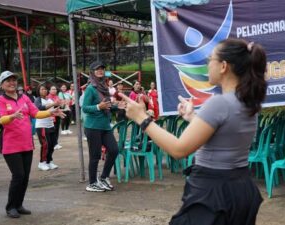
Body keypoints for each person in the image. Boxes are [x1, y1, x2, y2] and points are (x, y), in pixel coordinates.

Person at [120, 38, 267, 225]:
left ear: (223, 66)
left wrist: (141, 118)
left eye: (210, 59)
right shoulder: (247, 102)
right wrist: (192, 118)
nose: (207, 65)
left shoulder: (218, 103)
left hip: (214, 193)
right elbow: (224, 133)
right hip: (240, 188)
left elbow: (179, 150)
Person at [0, 71, 65, 218]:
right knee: (18, 175)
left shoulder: (24, 97)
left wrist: (51, 112)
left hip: (26, 143)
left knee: (25, 177)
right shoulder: (0, 100)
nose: (12, 83)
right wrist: (12, 116)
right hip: (10, 145)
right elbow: (1, 120)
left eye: (13, 80)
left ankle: (19, 205)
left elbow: (36, 113)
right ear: (2, 85)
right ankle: (10, 206)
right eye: (8, 81)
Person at [82, 61, 124, 192]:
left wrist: (117, 107)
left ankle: (104, 177)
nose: (100, 71)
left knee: (114, 150)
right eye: (97, 69)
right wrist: (97, 107)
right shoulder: (90, 88)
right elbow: (85, 108)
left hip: (105, 126)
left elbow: (107, 106)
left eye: (102, 69)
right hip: (93, 127)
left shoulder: (104, 87)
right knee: (95, 156)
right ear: (92, 72)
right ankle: (92, 183)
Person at [34, 85, 61, 171]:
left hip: (50, 124)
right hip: (42, 125)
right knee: (46, 144)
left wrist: (58, 112)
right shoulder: (38, 100)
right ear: (38, 91)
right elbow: (40, 108)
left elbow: (51, 111)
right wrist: (53, 104)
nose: (44, 90)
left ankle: (49, 161)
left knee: (52, 144)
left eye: (45, 89)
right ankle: (42, 162)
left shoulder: (49, 99)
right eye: (42, 89)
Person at [48, 85, 63, 150]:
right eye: (53, 89)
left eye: (55, 89)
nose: (54, 90)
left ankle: (56, 143)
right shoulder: (48, 97)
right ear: (50, 90)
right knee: (52, 130)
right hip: (51, 116)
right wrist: (56, 103)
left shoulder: (57, 97)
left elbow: (60, 105)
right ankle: (53, 143)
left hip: (57, 115)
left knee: (57, 129)